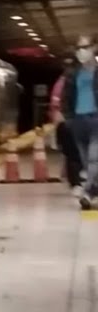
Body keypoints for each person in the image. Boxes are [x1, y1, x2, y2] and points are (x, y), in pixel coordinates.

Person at [62, 36, 98, 208]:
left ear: (93, 48)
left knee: (93, 159)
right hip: (78, 121)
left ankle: (88, 193)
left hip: (96, 118)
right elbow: (66, 97)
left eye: (85, 47)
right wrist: (68, 118)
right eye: (79, 48)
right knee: (86, 161)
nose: (81, 51)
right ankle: (94, 187)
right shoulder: (72, 73)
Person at [52, 58, 83, 195]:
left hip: (68, 122)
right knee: (75, 153)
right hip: (71, 122)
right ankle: (76, 181)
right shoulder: (69, 82)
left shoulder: (61, 82)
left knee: (72, 154)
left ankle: (76, 182)